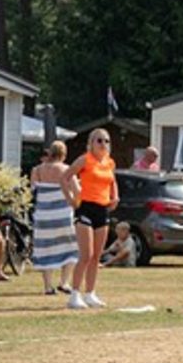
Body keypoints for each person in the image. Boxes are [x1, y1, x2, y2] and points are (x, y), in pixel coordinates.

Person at [68, 130, 119, 309]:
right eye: (99, 140)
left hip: (102, 209)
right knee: (86, 254)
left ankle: (90, 293)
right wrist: (71, 199)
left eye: (106, 141)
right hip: (85, 207)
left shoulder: (109, 162)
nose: (103, 144)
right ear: (91, 142)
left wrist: (115, 196)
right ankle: (74, 294)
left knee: (97, 255)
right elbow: (66, 177)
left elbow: (112, 181)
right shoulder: (85, 159)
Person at [30, 140, 80, 298]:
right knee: (71, 248)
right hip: (62, 213)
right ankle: (64, 282)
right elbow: (76, 190)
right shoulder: (66, 169)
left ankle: (47, 286)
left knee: (45, 248)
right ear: (64, 154)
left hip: (43, 215)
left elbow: (33, 190)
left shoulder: (37, 170)